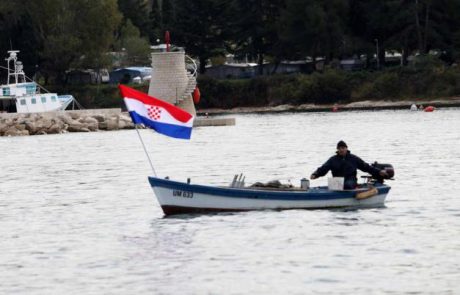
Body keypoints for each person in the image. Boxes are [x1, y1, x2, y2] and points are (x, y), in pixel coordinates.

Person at [310, 141, 387, 189]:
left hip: (351, 180)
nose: (341, 150)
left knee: (347, 185)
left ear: (346, 148)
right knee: (335, 186)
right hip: (337, 181)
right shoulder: (332, 159)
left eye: (343, 148)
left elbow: (366, 167)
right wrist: (315, 174)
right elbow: (324, 168)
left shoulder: (353, 158)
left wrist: (378, 171)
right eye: (339, 148)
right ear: (337, 149)